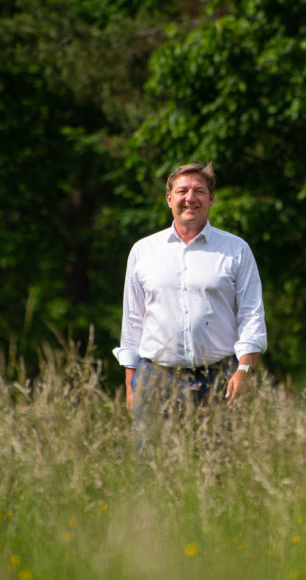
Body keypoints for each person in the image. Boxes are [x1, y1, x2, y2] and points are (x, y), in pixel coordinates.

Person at [112, 163, 267, 422]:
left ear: (211, 199)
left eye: (199, 191)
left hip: (220, 380)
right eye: (182, 191)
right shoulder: (143, 251)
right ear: (169, 198)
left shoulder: (236, 250)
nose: (190, 198)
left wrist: (244, 371)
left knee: (218, 462)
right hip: (155, 380)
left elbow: (252, 315)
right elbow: (133, 321)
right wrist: (130, 386)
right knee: (155, 462)